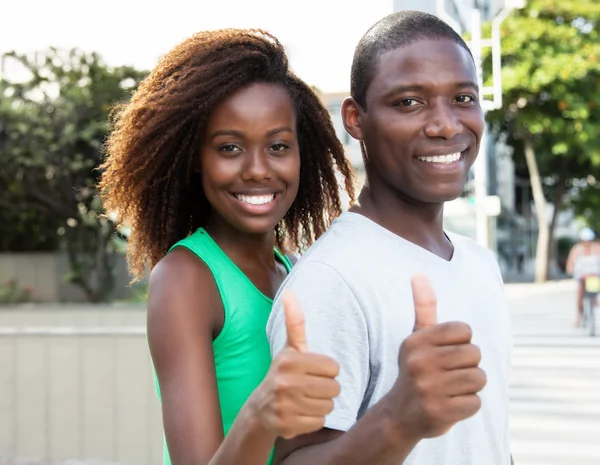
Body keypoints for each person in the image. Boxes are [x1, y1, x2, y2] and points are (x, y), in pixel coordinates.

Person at [99, 29, 356, 465]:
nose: (257, 170)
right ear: (195, 159)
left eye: (278, 146)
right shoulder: (187, 278)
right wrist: (262, 413)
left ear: (302, 155)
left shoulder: (295, 269)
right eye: (230, 147)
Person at [267, 11, 513, 465]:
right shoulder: (331, 281)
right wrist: (398, 419)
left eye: (462, 97)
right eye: (409, 103)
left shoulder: (480, 262)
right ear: (356, 119)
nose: (445, 125)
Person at [566, 227, 600, 326]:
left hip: (594, 275)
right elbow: (570, 263)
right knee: (580, 293)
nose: (587, 242)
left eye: (588, 240)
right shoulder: (577, 250)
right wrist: (570, 270)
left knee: (595, 287)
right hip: (581, 276)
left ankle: (594, 298)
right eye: (585, 240)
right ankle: (579, 315)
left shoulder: (597, 248)